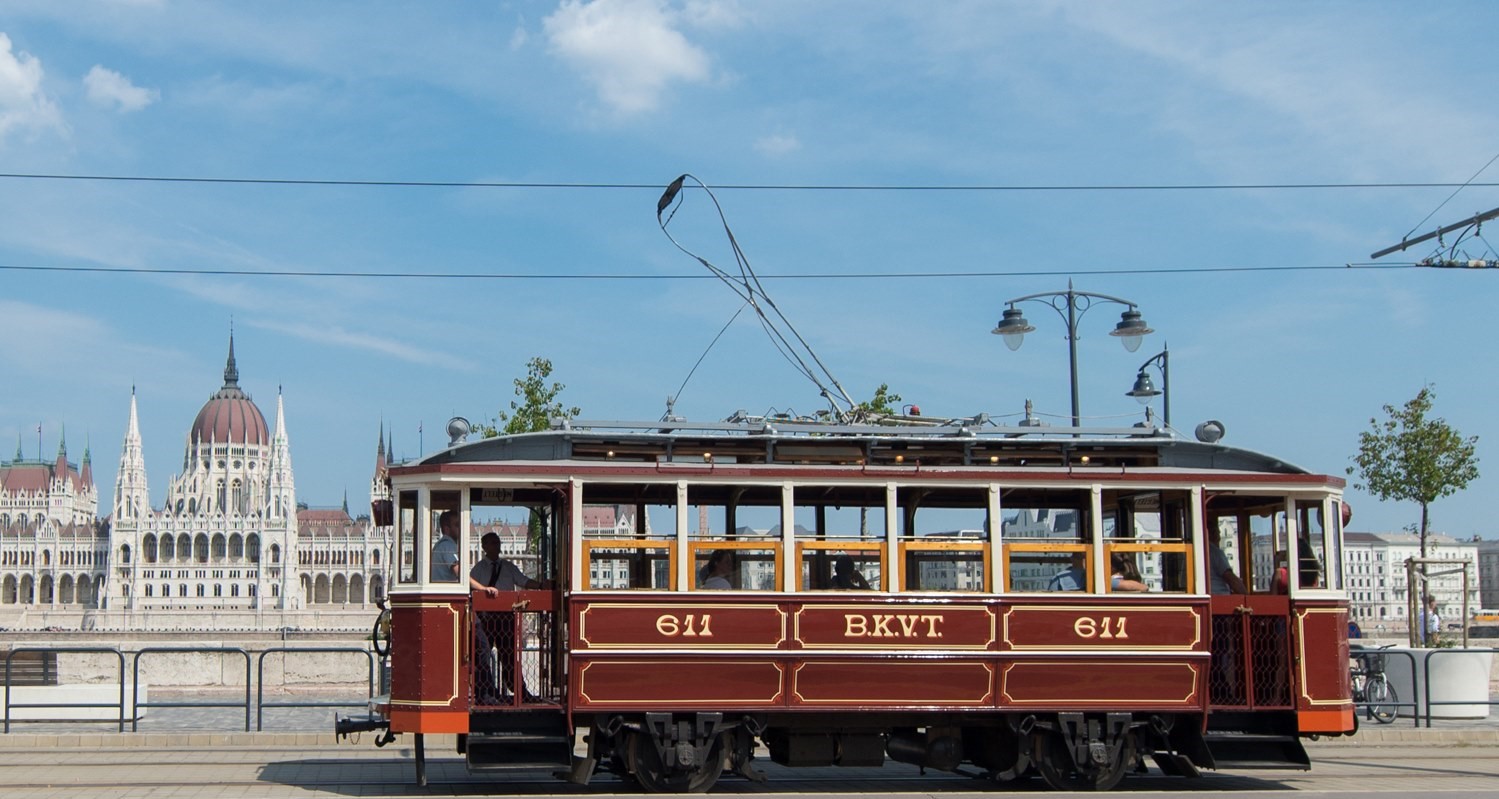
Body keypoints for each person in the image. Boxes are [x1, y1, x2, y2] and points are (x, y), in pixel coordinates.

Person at [470, 531, 548, 703]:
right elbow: (471, 588)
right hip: (486, 618)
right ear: (484, 547)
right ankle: (485, 692)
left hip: (506, 617)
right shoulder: (479, 569)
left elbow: (524, 581)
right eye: (492, 543)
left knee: (509, 654)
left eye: (497, 543)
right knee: (482, 654)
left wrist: (541, 585)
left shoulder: (508, 567)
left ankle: (519, 691)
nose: (496, 546)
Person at [1206, 525, 1248, 595]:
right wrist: (1248, 597)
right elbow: (1231, 578)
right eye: (1218, 533)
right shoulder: (1215, 552)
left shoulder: (1202, 550)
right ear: (1214, 534)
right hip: (1219, 597)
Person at [430, 510, 461, 582]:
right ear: (447, 529)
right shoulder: (448, 545)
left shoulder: (439, 545)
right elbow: (459, 573)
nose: (461, 528)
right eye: (457, 525)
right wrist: (482, 587)